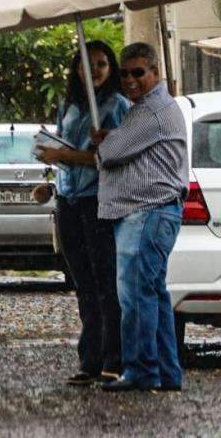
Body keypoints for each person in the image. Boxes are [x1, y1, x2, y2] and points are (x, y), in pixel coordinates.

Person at [92, 42, 188, 392]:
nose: (130, 80)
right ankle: (165, 370)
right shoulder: (147, 109)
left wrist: (104, 143)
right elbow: (121, 146)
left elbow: (111, 153)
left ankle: (142, 369)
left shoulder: (152, 111)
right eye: (125, 74)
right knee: (152, 294)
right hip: (150, 212)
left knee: (134, 295)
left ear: (155, 73)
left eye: (138, 73)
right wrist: (111, 141)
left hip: (146, 212)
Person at [35, 40, 129, 386]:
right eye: (87, 64)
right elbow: (60, 147)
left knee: (106, 282)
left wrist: (64, 158)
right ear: (77, 69)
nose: (94, 71)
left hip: (97, 200)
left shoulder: (116, 106)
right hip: (69, 200)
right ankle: (88, 359)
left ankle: (113, 359)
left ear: (111, 68)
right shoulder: (70, 105)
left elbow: (108, 157)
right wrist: (50, 175)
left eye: (102, 64)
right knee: (83, 283)